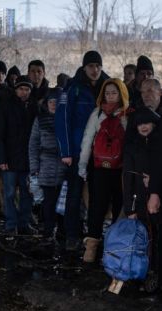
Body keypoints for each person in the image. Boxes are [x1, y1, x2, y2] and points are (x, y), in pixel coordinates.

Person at [57, 50, 108, 251]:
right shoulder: (73, 87)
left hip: (101, 151)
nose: (94, 70)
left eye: (98, 66)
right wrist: (66, 151)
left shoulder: (108, 86)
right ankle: (72, 233)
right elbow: (63, 120)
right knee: (75, 193)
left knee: (98, 194)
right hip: (78, 152)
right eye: (91, 66)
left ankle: (94, 236)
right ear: (84, 67)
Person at [78, 78, 130, 262]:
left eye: (113, 93)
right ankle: (95, 248)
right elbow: (87, 141)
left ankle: (106, 249)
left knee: (116, 207)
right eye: (107, 93)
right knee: (97, 207)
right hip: (101, 169)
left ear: (121, 93)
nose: (109, 96)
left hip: (117, 171)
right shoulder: (103, 113)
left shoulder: (126, 114)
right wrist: (83, 166)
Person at [0, 77, 35, 234]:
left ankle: (24, 223)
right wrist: (1, 158)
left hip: (27, 159)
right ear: (16, 90)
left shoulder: (33, 107)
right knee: (9, 193)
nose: (24, 92)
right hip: (9, 159)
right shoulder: (5, 106)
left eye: (27, 89)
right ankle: (11, 224)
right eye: (21, 89)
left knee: (27, 193)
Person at [29, 87, 66, 244]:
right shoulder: (40, 120)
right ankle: (48, 232)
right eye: (51, 101)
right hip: (46, 166)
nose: (53, 104)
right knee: (49, 202)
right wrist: (34, 168)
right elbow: (33, 145)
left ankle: (63, 233)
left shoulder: (66, 119)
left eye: (56, 102)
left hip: (64, 166)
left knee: (64, 203)